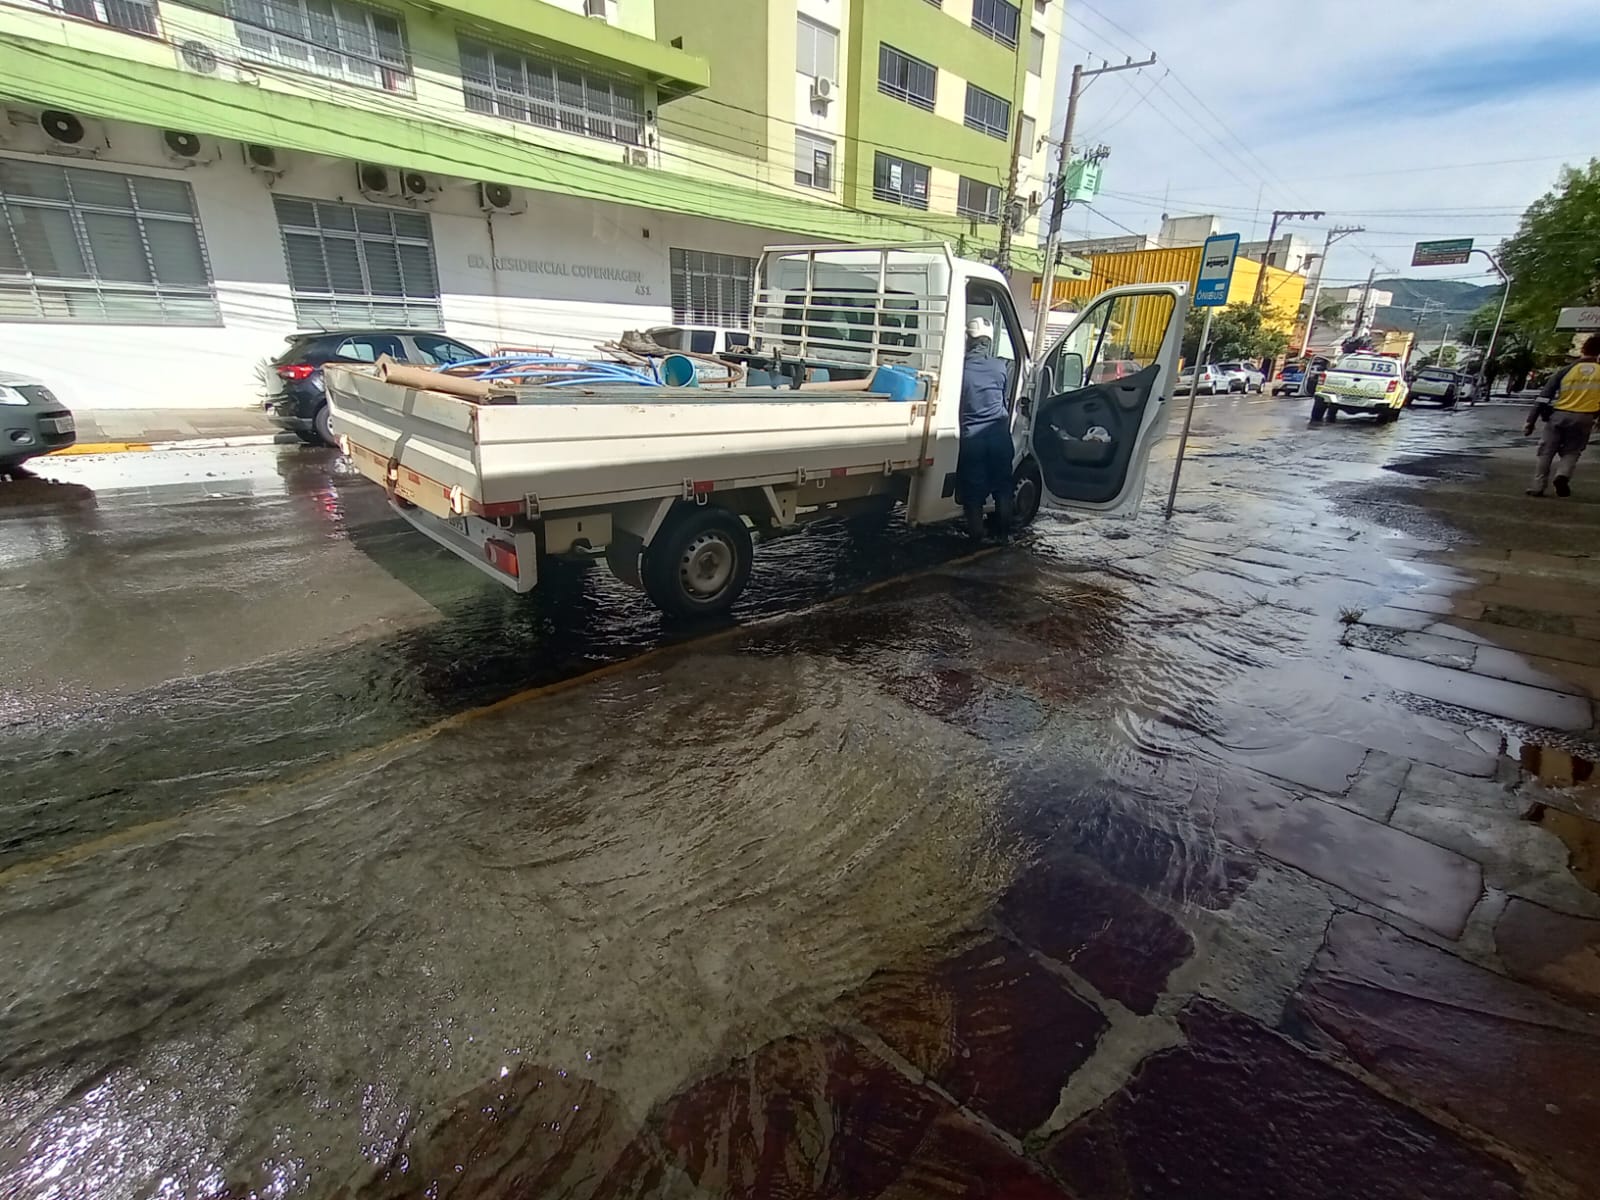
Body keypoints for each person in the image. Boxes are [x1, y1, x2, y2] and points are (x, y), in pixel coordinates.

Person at [957, 316, 1014, 540]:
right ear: (989, 341)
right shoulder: (1000, 367)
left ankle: (977, 537)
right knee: (1003, 487)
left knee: (973, 491)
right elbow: (1005, 398)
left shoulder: (961, 370)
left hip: (973, 439)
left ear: (968, 340)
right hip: (999, 435)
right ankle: (1003, 536)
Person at [1525, 333, 1600, 497]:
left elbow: (1544, 396)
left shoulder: (1566, 370)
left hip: (1559, 415)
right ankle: (1562, 475)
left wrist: (1531, 421)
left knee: (1546, 452)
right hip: (1585, 418)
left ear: (1582, 349)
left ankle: (1538, 486)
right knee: (1572, 452)